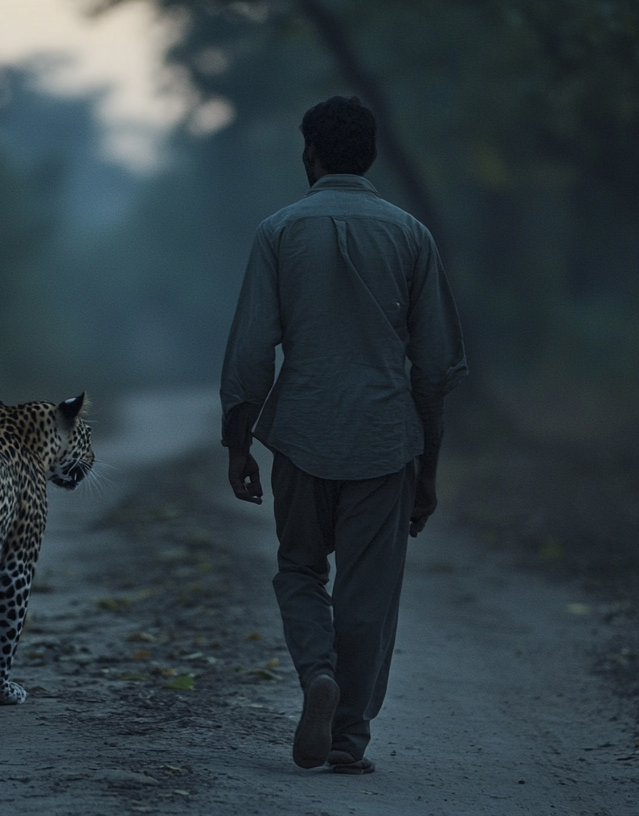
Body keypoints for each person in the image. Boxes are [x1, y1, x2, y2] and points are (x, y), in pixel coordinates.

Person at [219, 96, 467, 775]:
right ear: (372, 155)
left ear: (313, 154)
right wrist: (428, 467)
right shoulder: (411, 235)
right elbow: (437, 367)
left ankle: (317, 676)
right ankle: (348, 738)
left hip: (300, 432)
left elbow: (250, 352)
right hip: (387, 437)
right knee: (370, 590)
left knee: (300, 568)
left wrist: (239, 440)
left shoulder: (279, 231)